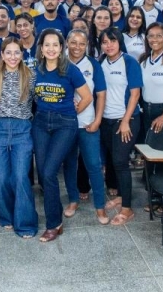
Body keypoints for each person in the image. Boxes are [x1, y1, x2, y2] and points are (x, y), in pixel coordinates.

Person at [33, 28, 93, 242]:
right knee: (43, 173)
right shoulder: (36, 70)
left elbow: (87, 97)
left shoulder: (70, 70)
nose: (51, 48)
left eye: (55, 45)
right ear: (41, 48)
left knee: (50, 172)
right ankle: (55, 214)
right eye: (46, 45)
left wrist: (73, 111)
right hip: (40, 122)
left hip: (64, 124)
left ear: (61, 48)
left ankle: (53, 224)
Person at [0, 37, 38, 238]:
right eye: (8, 52)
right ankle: (6, 215)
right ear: (2, 54)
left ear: (22, 54)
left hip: (22, 128)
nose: (13, 57)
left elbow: (40, 99)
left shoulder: (31, 76)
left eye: (17, 52)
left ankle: (25, 223)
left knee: (20, 176)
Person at [62, 29, 109, 225]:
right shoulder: (59, 61)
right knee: (69, 164)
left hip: (88, 123)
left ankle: (100, 206)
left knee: (94, 165)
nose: (77, 47)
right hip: (65, 124)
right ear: (67, 42)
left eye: (82, 43)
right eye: (73, 42)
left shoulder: (93, 64)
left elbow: (101, 94)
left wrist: (97, 120)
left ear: (87, 45)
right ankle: (73, 200)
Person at [99, 27, 143, 226]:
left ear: (120, 42)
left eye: (113, 41)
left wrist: (125, 120)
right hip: (106, 120)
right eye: (105, 42)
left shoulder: (129, 62)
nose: (109, 45)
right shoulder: (101, 62)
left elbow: (135, 94)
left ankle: (127, 208)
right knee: (112, 159)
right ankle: (122, 196)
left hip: (125, 119)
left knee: (120, 161)